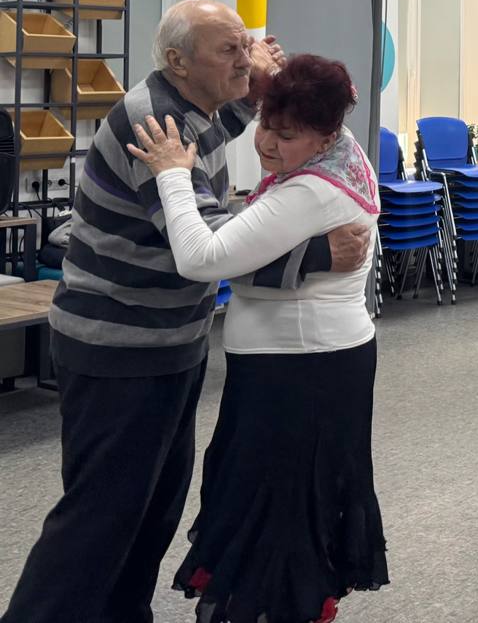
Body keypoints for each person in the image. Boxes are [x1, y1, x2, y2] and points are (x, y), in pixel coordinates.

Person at [0, 2, 369, 623]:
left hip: (170, 339)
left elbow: (242, 127)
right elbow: (203, 244)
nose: (246, 60)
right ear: (178, 60)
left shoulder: (199, 111)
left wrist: (266, 86)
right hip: (119, 345)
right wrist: (314, 255)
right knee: (101, 514)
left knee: (153, 509)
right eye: (230, 49)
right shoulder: (157, 125)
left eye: (247, 44)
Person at [127, 54, 388, 622]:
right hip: (307, 364)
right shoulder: (340, 154)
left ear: (325, 137)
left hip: (298, 373)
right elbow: (260, 248)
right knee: (277, 515)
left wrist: (172, 173)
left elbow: (201, 257)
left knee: (277, 523)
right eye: (265, 123)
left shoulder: (309, 191)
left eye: (286, 135)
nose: (266, 142)